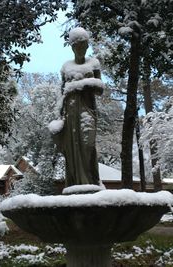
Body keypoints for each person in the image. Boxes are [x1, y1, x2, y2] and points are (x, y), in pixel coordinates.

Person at [50, 27, 104, 187]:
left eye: (83, 45)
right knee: (71, 149)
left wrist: (78, 85)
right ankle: (75, 182)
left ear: (87, 46)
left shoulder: (93, 63)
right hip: (71, 112)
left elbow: (100, 87)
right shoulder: (66, 66)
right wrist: (58, 112)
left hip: (87, 111)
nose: (80, 49)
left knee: (88, 145)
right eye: (77, 46)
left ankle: (92, 181)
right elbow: (62, 92)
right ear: (72, 47)